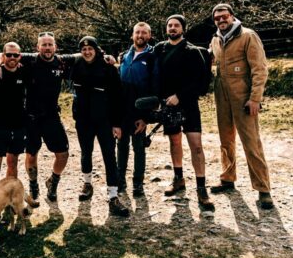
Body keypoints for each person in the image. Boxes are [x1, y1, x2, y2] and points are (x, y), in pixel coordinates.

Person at [0, 32, 80, 202]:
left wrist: (106, 57)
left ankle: (53, 181)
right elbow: (3, 54)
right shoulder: (29, 59)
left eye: (50, 44)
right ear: (37, 47)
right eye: (43, 45)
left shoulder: (61, 60)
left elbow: (81, 54)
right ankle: (33, 183)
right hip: (30, 117)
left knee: (63, 154)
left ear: (55, 47)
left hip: (52, 115)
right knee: (31, 154)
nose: (47, 48)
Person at [208, 3, 273, 209]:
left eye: (224, 17)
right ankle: (228, 178)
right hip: (222, 97)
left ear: (232, 16)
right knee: (226, 140)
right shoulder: (216, 39)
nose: (221, 21)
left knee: (251, 143)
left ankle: (263, 189)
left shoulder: (248, 36)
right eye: (217, 18)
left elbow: (260, 69)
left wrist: (255, 99)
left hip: (244, 98)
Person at [154, 15, 214, 210]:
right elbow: (140, 55)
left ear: (183, 29)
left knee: (196, 145)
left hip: (188, 104)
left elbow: (200, 81)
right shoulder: (160, 49)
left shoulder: (193, 52)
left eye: (176, 25)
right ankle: (178, 178)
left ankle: (201, 187)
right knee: (174, 141)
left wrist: (180, 95)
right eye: (169, 25)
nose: (172, 28)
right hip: (168, 105)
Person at [70, 36, 129, 216]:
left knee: (109, 157)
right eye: (83, 49)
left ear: (96, 49)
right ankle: (87, 183)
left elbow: (118, 98)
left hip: (105, 121)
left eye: (90, 49)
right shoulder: (76, 66)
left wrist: (117, 124)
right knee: (85, 153)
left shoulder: (108, 69)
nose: (87, 52)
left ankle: (113, 196)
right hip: (83, 121)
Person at [117, 22, 159, 197]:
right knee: (121, 146)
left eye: (144, 33)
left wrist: (146, 117)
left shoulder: (152, 57)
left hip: (140, 112)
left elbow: (155, 89)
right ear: (132, 35)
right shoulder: (125, 56)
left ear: (149, 36)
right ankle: (120, 182)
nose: (140, 35)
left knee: (139, 147)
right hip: (123, 110)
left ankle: (138, 183)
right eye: (137, 32)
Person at [0, 42, 27, 186]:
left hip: (18, 127)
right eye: (8, 54)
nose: (12, 57)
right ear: (3, 56)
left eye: (15, 55)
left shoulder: (24, 72)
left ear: (20, 56)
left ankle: (9, 201)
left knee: (13, 165)